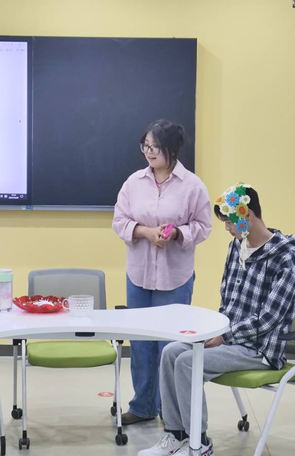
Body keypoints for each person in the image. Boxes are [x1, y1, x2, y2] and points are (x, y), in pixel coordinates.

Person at [139, 182, 295, 456]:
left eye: (229, 221)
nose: (226, 228)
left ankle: (198, 443)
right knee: (170, 352)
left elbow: (268, 319)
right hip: (228, 338)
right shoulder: (236, 248)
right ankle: (176, 434)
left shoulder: (285, 259)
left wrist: (225, 336)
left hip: (259, 348)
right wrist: (211, 332)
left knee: (188, 362)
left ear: (247, 215)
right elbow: (226, 301)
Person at [112, 119, 212, 425]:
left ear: (172, 149)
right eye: (146, 145)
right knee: (141, 344)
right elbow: (119, 220)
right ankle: (142, 407)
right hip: (139, 274)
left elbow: (203, 226)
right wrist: (145, 232)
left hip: (174, 276)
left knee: (169, 346)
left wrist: (178, 233)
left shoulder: (192, 186)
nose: (149, 152)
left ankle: (172, 415)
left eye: (156, 146)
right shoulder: (133, 183)